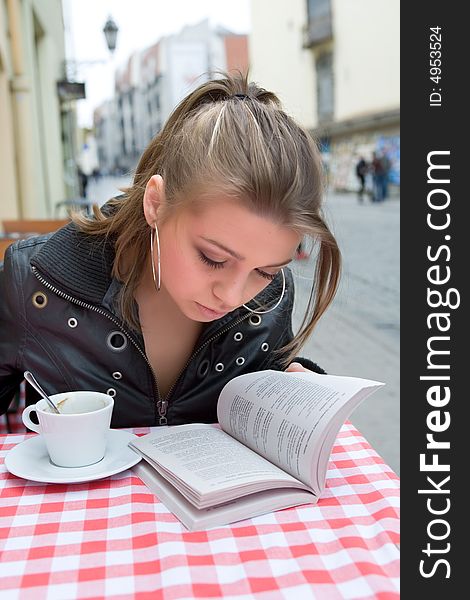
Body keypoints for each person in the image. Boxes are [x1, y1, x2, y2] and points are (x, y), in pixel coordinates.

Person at [0, 73, 341, 428]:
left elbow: (271, 378)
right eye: (213, 258)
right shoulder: (35, 282)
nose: (232, 294)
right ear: (156, 203)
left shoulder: (272, 297)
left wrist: (298, 386)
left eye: (265, 270)